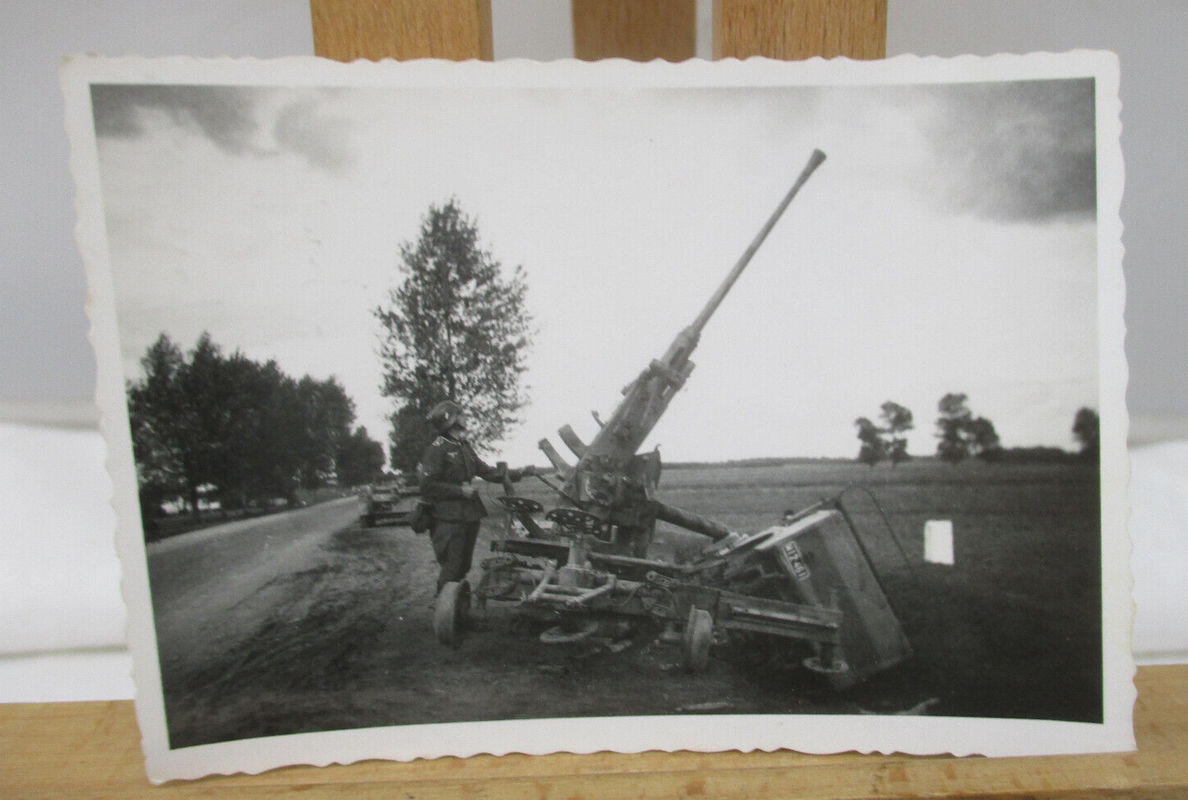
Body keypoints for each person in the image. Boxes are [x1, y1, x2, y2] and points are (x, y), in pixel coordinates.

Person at [418, 400, 534, 595]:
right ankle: (444, 605)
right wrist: (459, 491)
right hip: (448, 518)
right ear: (451, 421)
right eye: (461, 414)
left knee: (464, 565)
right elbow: (427, 485)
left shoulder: (463, 446)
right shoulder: (437, 449)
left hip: (470, 515)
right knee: (452, 567)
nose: (465, 417)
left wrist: (520, 473)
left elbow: (487, 471)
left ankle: (456, 602)